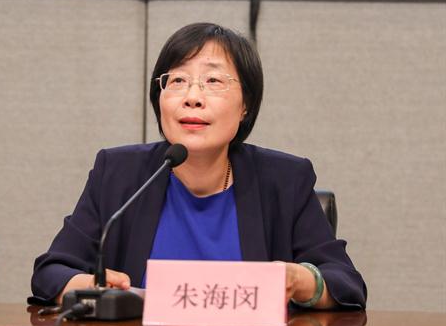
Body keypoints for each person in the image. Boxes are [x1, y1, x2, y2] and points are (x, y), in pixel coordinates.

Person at [31, 23, 367, 310]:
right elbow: (52, 272)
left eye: (213, 81)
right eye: (177, 81)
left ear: (246, 105)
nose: (192, 97)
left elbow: (346, 283)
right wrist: (92, 286)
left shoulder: (284, 180)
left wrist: (301, 280)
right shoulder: (119, 174)